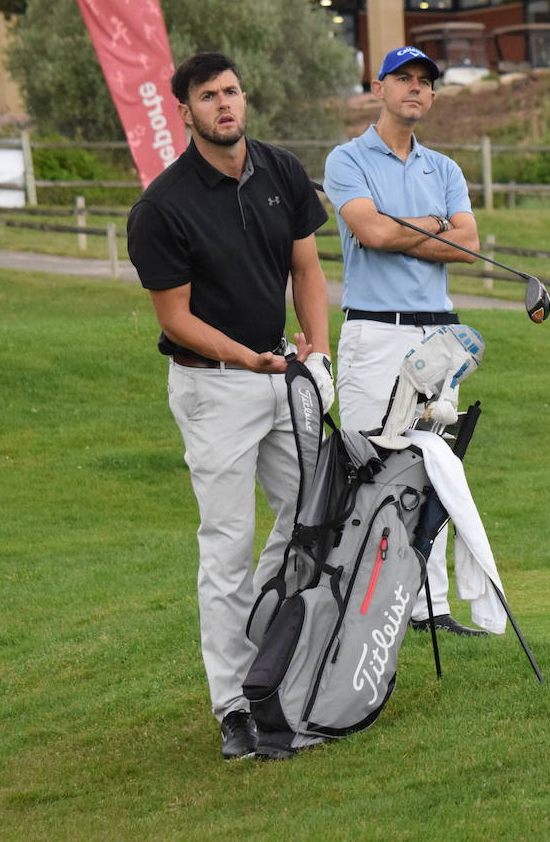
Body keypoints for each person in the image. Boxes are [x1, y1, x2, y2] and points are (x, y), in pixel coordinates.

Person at [127, 52, 335, 759]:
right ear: (185, 110)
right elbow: (175, 318)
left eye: (233, 92)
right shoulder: (161, 207)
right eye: (209, 95)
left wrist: (319, 351)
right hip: (213, 385)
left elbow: (307, 267)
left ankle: (271, 663)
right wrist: (247, 358)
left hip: (283, 372)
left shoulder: (280, 170)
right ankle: (233, 710)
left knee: (313, 509)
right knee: (226, 548)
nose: (225, 104)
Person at [322, 45, 485, 636]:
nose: (415, 89)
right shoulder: (347, 159)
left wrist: (400, 229)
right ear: (379, 88)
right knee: (371, 467)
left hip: (437, 335)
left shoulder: (444, 168)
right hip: (374, 329)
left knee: (433, 467)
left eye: (424, 82)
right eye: (403, 79)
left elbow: (464, 241)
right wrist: (432, 226)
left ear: (433, 96)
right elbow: (368, 229)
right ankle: (360, 604)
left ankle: (429, 609)